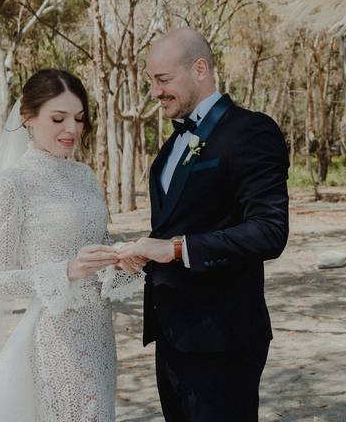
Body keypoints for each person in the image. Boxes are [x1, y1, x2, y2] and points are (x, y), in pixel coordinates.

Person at [0, 69, 142, 422]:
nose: (71, 129)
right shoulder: (13, 186)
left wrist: (121, 261)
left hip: (100, 330)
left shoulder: (86, 177)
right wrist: (66, 271)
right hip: (54, 338)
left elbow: (96, 250)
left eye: (79, 119)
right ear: (28, 118)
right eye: (58, 118)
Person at [117, 28, 290, 422]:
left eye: (162, 80)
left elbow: (269, 231)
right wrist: (136, 254)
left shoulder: (250, 131)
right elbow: (178, 223)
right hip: (172, 337)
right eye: (151, 81)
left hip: (223, 341)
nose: (155, 92)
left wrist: (177, 247)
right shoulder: (168, 150)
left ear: (200, 70)